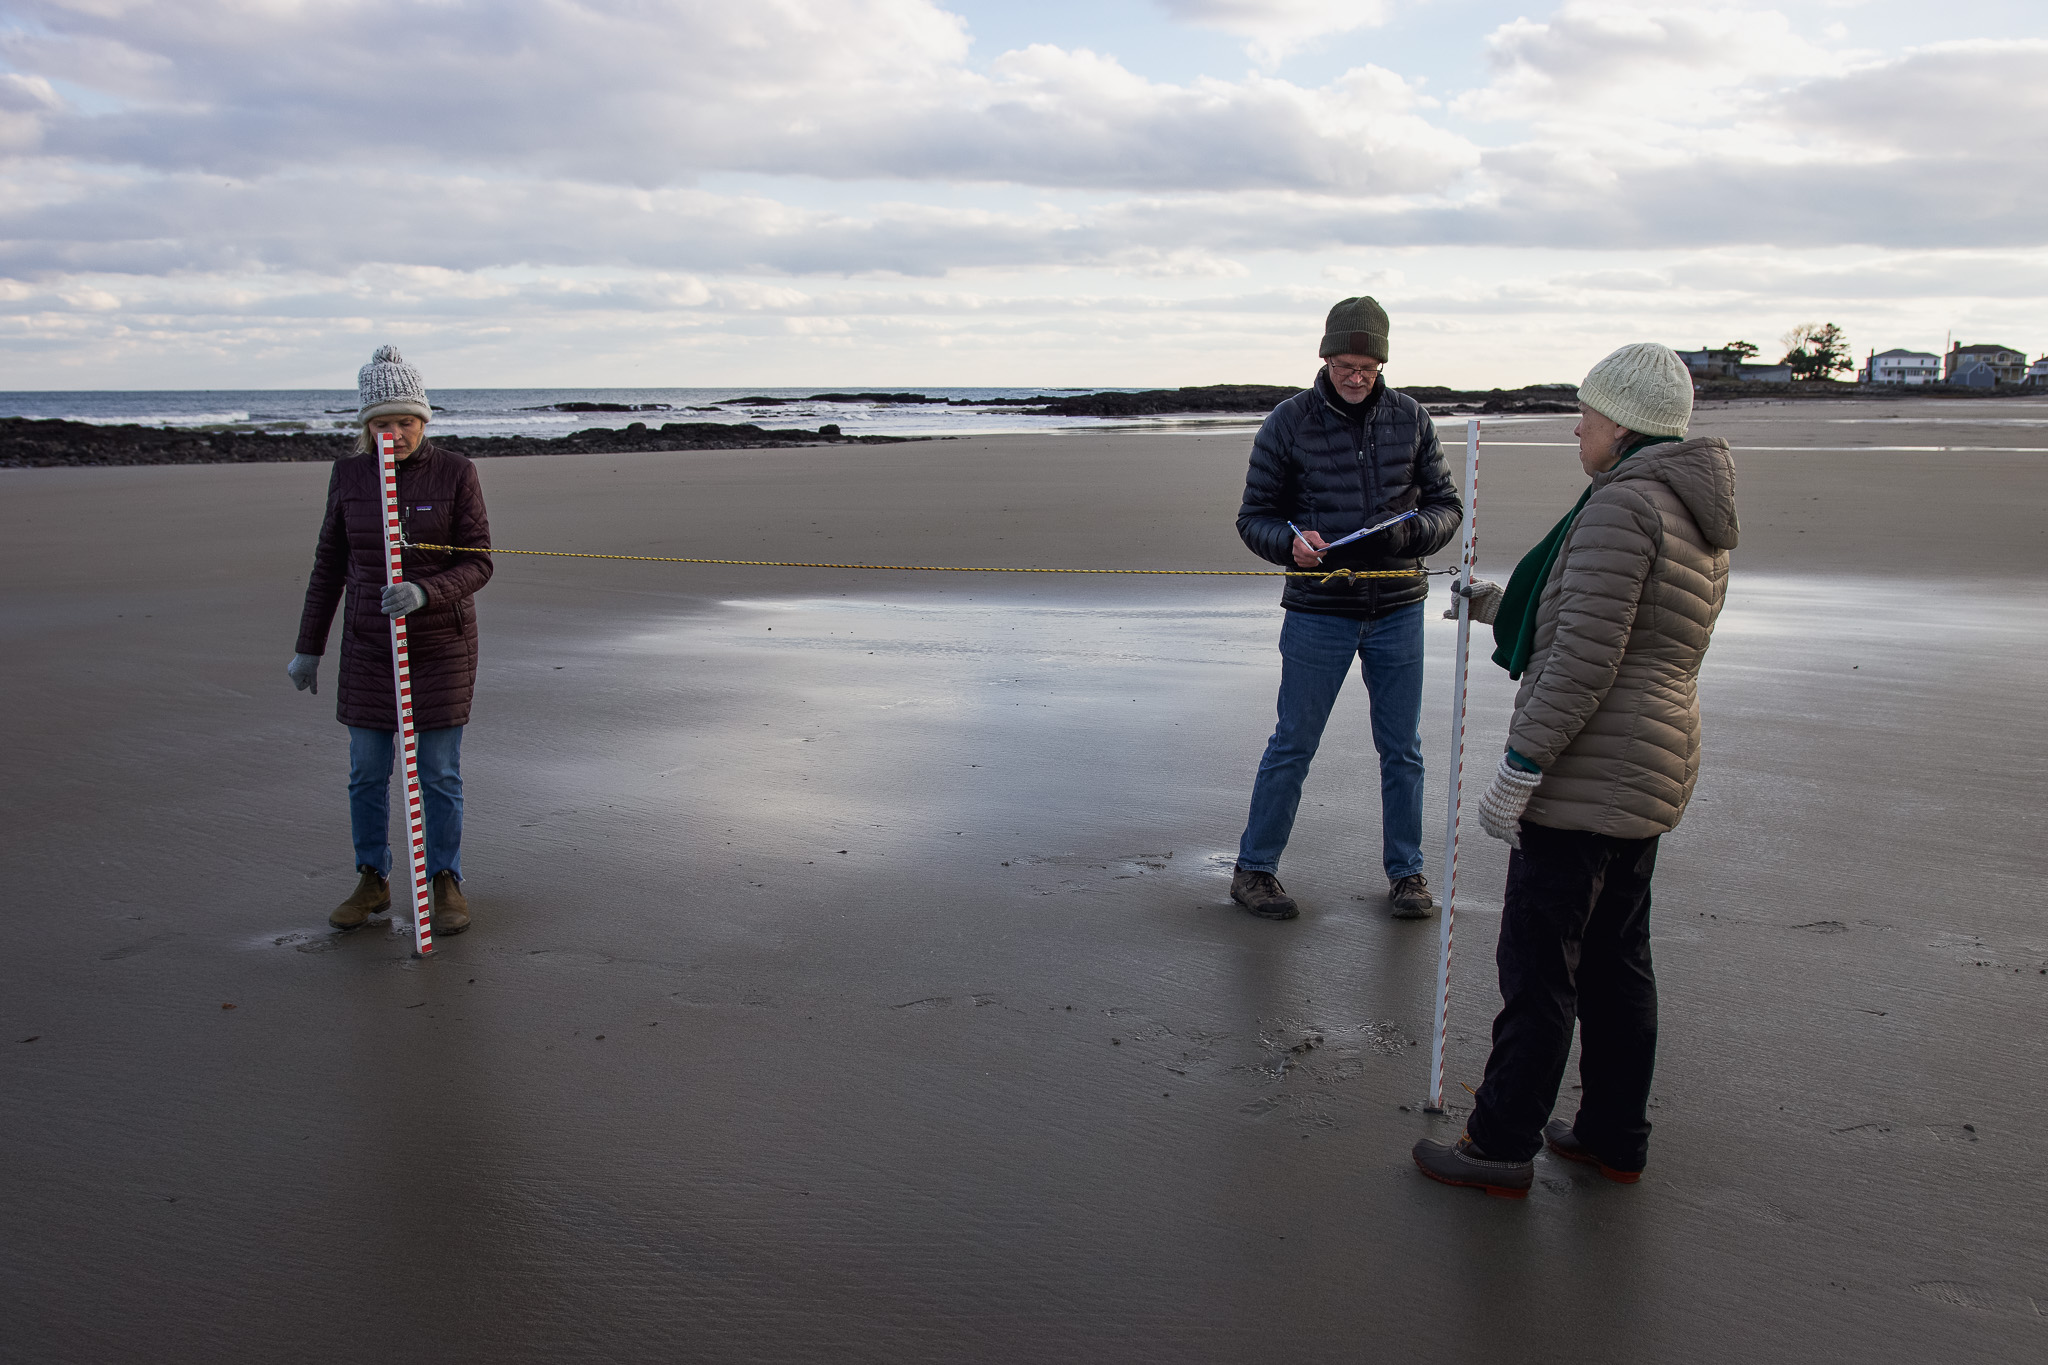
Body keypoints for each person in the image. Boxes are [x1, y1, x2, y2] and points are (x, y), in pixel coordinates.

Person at [1412, 342, 1738, 1197]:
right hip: (1650, 768)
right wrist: (1493, 605)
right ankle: (1612, 1134)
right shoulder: (1690, 505)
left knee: (1539, 967)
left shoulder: (1623, 507)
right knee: (1617, 960)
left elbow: (1585, 661)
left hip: (1587, 777)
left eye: (1588, 412)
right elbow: (1617, 623)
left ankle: (1501, 1142)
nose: (1578, 426)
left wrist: (1520, 769)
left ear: (1624, 424)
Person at [1230, 297, 1464, 922]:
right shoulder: (1288, 422)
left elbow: (1445, 506)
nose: (1355, 375)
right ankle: (1254, 871)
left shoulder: (1411, 419)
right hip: (1318, 611)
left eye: (1366, 365)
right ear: (1325, 356)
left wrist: (1408, 537)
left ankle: (1408, 876)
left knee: (1403, 748)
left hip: (1397, 608)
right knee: (1293, 742)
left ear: (1382, 362)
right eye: (1344, 363)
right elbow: (1253, 518)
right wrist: (1290, 543)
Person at [287, 346, 494, 934]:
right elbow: (329, 564)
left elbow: (479, 564)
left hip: (441, 647)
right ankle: (372, 880)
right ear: (366, 426)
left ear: (423, 421)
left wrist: (426, 592)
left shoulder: (456, 472)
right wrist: (310, 647)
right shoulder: (350, 475)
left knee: (438, 773)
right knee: (367, 771)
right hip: (370, 649)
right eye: (383, 422)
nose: (395, 432)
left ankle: (444, 881)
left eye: (405, 420)